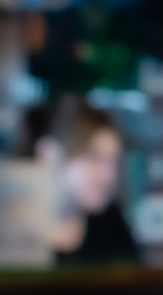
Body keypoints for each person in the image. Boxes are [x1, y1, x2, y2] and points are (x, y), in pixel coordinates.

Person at [32, 100, 140, 266]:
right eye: (93, 158)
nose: (109, 176)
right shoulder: (10, 233)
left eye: (113, 162)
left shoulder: (111, 228)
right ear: (49, 154)